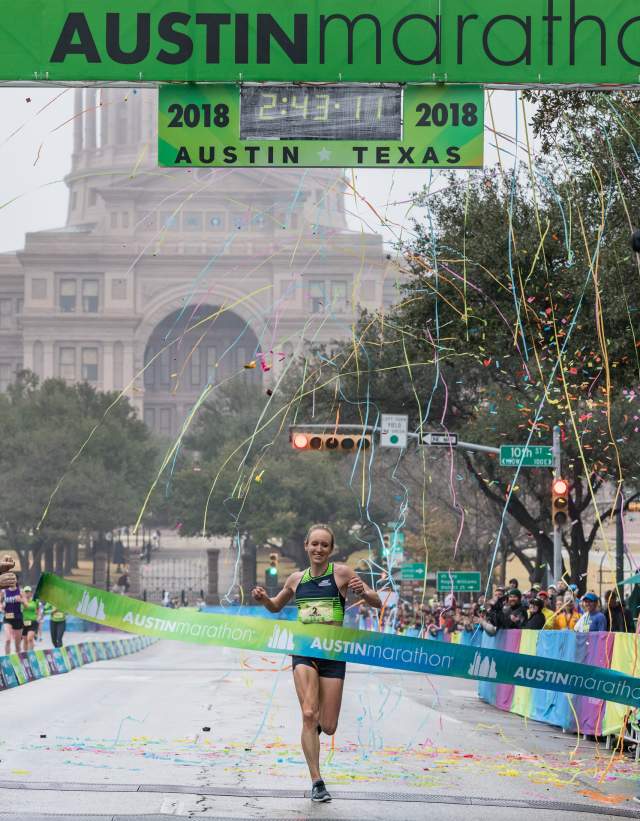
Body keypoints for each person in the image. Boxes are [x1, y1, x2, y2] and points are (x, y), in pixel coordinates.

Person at [252, 523, 381, 803]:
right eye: (315, 544)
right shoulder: (296, 579)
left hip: (333, 654)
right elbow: (276, 606)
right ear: (306, 546)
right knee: (309, 713)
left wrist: (363, 592)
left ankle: (316, 729)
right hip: (304, 650)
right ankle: (317, 782)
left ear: (331, 549)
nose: (319, 549)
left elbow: (377, 601)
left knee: (329, 725)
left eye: (324, 545)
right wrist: (263, 599)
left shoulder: (343, 573)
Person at [1, 576, 27, 655]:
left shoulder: (21, 591)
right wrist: (1, 607)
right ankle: (7, 660)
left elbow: (26, 605)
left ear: (16, 581)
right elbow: (0, 602)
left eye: (13, 579)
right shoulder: (4, 591)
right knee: (7, 640)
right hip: (7, 618)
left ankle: (18, 661)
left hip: (18, 618)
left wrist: (21, 600)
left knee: (17, 646)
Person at [21, 586, 41, 651]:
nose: (27, 593)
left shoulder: (35, 600)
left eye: (28, 592)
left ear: (31, 592)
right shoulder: (21, 601)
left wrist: (39, 616)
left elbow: (38, 609)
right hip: (24, 622)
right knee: (25, 640)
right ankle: (25, 655)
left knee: (29, 638)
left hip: (33, 621)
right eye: (25, 592)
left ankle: (31, 653)